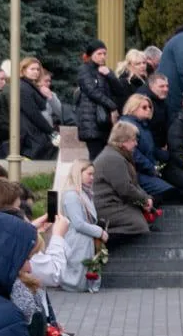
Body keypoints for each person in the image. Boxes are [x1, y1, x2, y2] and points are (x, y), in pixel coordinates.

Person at [91, 122, 153, 246]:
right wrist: (144, 201)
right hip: (106, 206)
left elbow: (133, 184)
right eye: (133, 140)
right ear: (122, 141)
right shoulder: (113, 158)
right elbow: (125, 189)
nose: (136, 143)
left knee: (141, 220)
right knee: (138, 225)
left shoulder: (117, 155)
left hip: (115, 202)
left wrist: (146, 199)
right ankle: (100, 239)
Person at [58, 164, 107, 292]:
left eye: (93, 174)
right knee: (78, 276)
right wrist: (99, 232)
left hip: (82, 241)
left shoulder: (83, 193)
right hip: (77, 241)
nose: (92, 178)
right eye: (89, 174)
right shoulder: (72, 195)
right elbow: (78, 224)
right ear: (78, 174)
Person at [118, 94, 175, 202]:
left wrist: (169, 155)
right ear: (133, 108)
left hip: (145, 170)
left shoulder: (143, 125)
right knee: (166, 191)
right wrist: (151, 168)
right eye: (144, 107)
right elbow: (133, 152)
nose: (148, 109)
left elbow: (150, 149)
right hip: (134, 173)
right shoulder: (127, 125)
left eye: (150, 107)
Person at [76, 42, 126, 161]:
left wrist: (110, 75)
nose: (102, 56)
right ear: (90, 55)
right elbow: (92, 91)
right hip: (91, 120)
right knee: (96, 156)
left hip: (105, 121)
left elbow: (120, 91)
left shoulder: (106, 71)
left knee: (105, 156)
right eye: (99, 54)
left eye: (104, 53)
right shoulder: (85, 70)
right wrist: (112, 106)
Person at [14, 58, 57, 161]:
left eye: (38, 69)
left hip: (31, 128)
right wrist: (50, 130)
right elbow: (32, 113)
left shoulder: (29, 85)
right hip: (28, 129)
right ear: (23, 70)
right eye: (32, 69)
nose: (36, 72)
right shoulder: (23, 87)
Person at [142, 72, 173, 156]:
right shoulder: (144, 102)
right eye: (161, 86)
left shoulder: (162, 99)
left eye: (167, 86)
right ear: (151, 87)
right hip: (150, 149)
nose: (166, 89)